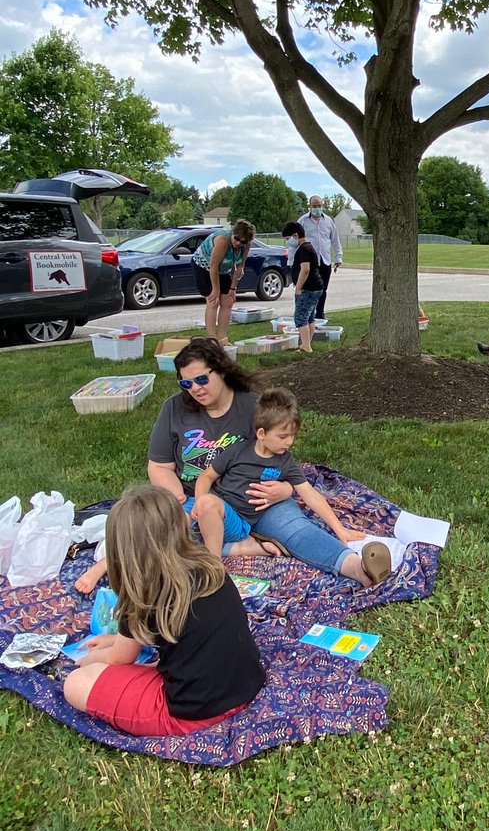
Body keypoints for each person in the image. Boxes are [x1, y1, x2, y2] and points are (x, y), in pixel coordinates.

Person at [74, 339, 280, 593]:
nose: (195, 388)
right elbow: (159, 466)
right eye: (186, 383)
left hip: (236, 499)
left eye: (202, 380)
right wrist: (175, 494)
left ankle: (230, 549)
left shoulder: (253, 407)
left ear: (222, 370)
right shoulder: (174, 407)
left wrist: (284, 490)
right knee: (158, 524)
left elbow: (278, 457)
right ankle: (109, 564)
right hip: (192, 495)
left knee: (175, 531)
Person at [63, 485, 266, 738]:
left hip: (190, 711)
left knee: (76, 683)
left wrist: (87, 661)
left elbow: (119, 659)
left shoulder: (143, 590)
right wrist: (115, 640)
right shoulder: (209, 568)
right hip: (246, 684)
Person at [191, 387, 387, 584]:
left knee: (299, 532)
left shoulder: (284, 462)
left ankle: (358, 568)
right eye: (283, 437)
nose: (290, 442)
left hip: (243, 521)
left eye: (293, 436)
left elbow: (309, 493)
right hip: (219, 511)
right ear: (261, 433)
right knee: (174, 526)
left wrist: (339, 528)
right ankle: (228, 557)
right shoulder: (238, 451)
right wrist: (199, 502)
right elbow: (207, 477)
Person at [192, 219, 255, 343]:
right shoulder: (223, 240)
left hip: (224, 269)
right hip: (204, 266)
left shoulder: (246, 245)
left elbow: (239, 268)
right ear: (233, 232)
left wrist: (233, 289)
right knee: (213, 301)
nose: (238, 243)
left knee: (228, 301)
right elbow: (213, 266)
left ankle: (223, 338)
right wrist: (216, 289)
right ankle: (212, 339)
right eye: (237, 238)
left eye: (243, 241)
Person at [282, 221, 323, 353]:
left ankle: (306, 346)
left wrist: (298, 287)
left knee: (300, 317)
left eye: (288, 239)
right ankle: (306, 344)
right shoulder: (308, 247)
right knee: (309, 316)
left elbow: (305, 269)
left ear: (295, 235)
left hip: (308, 288)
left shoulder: (304, 249)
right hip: (316, 286)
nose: (288, 242)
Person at [299, 196, 342, 319]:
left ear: (322, 205)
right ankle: (308, 314)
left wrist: (338, 258)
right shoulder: (303, 221)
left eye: (319, 205)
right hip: (310, 262)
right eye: (314, 206)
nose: (317, 208)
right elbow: (294, 241)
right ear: (309, 206)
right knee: (310, 289)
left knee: (323, 289)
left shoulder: (328, 221)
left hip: (324, 260)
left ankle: (320, 314)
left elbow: (335, 240)